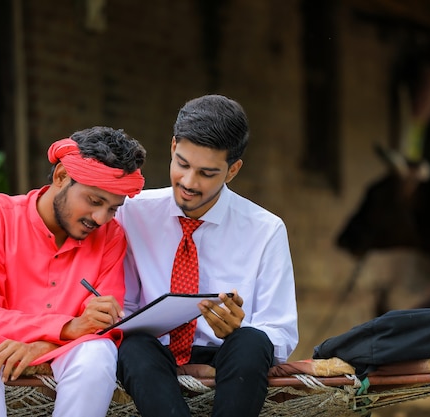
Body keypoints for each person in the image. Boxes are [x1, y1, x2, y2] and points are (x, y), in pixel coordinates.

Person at [0, 126, 146, 417]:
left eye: (112, 208)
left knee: (96, 354)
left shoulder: (110, 236)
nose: (100, 218)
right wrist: (67, 327)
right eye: (94, 201)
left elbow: (99, 324)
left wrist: (40, 345)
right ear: (61, 176)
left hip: (70, 353)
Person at [116, 94, 299, 417]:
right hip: (153, 357)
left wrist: (237, 329)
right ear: (173, 148)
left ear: (233, 171)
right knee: (132, 347)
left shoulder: (265, 229)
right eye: (182, 164)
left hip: (229, 358)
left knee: (252, 342)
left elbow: (281, 333)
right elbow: (123, 306)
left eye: (207, 173)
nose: (188, 182)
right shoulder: (131, 213)